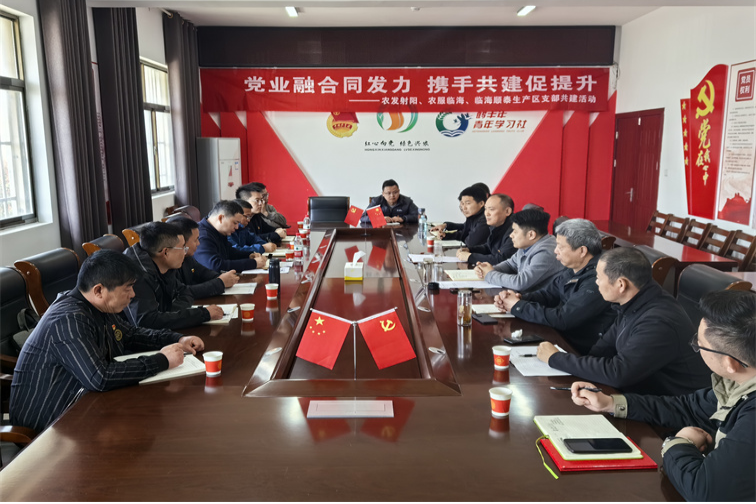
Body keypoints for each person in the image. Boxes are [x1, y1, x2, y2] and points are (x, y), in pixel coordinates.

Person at [571, 290, 755, 502]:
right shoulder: (738, 382)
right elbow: (687, 407)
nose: (696, 348)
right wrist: (611, 403)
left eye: (700, 345)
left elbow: (705, 491)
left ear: (730, 363)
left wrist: (680, 443)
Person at [9, 250, 205, 433]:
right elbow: (100, 377)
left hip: (83, 402)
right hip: (50, 423)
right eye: (127, 288)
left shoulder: (96, 305)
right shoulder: (68, 319)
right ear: (99, 290)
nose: (133, 294)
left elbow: (130, 335)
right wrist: (161, 360)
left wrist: (177, 338)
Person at [538, 247, 711, 396]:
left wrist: (556, 358)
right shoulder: (636, 299)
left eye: (599, 277)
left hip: (669, 406)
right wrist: (581, 370)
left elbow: (618, 373)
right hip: (640, 393)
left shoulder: (658, 321)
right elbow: (603, 349)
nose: (596, 283)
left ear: (621, 284)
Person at [494, 219, 615, 354]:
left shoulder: (598, 280)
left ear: (582, 251)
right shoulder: (573, 267)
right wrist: (518, 298)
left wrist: (518, 306)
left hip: (578, 350)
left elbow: (564, 319)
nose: (555, 251)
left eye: (560, 247)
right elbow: (547, 295)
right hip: (559, 336)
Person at [124, 222, 223, 329]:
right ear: (166, 252)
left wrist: (170, 316)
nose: (185, 253)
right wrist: (202, 314)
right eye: (183, 248)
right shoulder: (136, 275)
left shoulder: (164, 264)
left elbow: (185, 292)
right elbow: (147, 322)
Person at [474, 209, 564, 292]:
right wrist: (488, 269)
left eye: (515, 231)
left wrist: (489, 274)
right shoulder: (528, 244)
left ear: (531, 235)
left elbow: (520, 283)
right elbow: (510, 264)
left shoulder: (546, 252)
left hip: (540, 302)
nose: (511, 235)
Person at [167, 216, 240, 298]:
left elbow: (205, 273)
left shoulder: (187, 258)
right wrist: (220, 283)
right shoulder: (166, 264)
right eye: (195, 240)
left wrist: (224, 278)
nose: (198, 243)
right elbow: (181, 292)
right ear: (181, 241)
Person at [194, 200, 267, 272]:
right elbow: (215, 265)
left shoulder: (218, 231)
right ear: (221, 218)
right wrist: (253, 263)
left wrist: (249, 255)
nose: (237, 227)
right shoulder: (202, 235)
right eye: (235, 223)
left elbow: (230, 253)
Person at [456, 193, 516, 266]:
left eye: (491, 209)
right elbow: (488, 247)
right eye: (485, 209)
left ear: (507, 211)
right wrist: (469, 250)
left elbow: (502, 260)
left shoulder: (515, 230)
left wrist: (470, 257)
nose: (486, 214)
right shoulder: (496, 225)